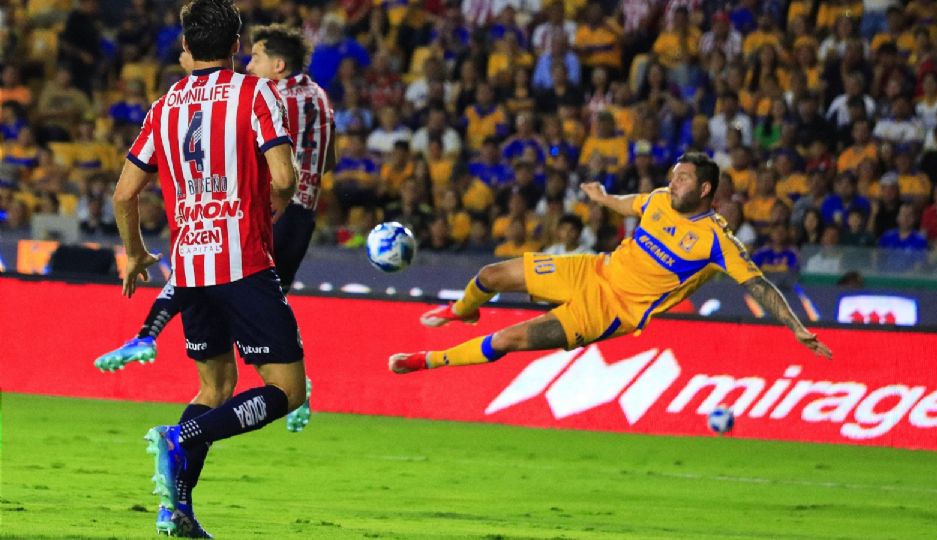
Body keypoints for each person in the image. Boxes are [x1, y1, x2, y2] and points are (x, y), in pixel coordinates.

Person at [113, 2, 307, 535]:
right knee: (288, 392)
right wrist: (270, 207)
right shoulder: (256, 92)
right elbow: (285, 179)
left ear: (186, 48)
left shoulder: (164, 104)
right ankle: (177, 440)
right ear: (237, 46)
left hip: (189, 268)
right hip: (243, 263)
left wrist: (134, 254)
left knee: (214, 389)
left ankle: (175, 509)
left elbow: (125, 193)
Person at [94, 23, 335, 432]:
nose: (251, 65)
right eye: (248, 56)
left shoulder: (274, 94)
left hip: (271, 213)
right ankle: (156, 342)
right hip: (299, 217)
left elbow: (276, 170)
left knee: (211, 257)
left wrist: (201, 80)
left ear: (278, 65)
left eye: (258, 59)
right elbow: (323, 162)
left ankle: (150, 338)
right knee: (250, 321)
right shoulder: (318, 99)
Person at [388, 153, 831, 374]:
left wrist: (795, 327)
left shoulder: (718, 241)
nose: (671, 181)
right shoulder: (659, 199)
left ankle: (426, 360)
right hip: (593, 269)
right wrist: (603, 199)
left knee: (508, 339)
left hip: (612, 309)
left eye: (682, 178)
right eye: (673, 174)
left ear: (704, 190)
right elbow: (631, 205)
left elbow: (759, 287)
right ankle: (464, 310)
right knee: (490, 275)